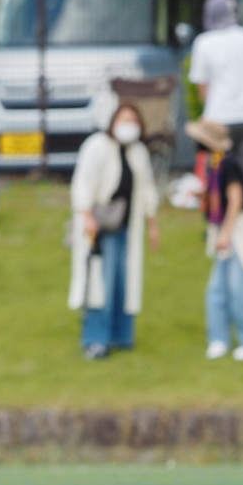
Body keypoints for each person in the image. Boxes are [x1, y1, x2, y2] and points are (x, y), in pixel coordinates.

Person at [68, 103, 160, 360]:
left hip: (127, 227)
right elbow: (82, 184)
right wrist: (86, 216)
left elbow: (147, 189)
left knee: (123, 281)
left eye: (133, 119)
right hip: (101, 226)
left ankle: (121, 335)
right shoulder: (97, 146)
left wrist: (152, 225)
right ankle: (96, 339)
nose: (128, 124)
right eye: (123, 119)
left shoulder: (138, 151)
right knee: (100, 282)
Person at [189, 117, 243, 359]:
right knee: (217, 290)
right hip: (224, 231)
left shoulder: (230, 164)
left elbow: (235, 200)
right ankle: (219, 339)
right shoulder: (214, 164)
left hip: (238, 232)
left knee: (241, 289)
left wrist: (225, 233)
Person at [188, 0, 243, 198]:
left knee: (217, 176)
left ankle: (220, 221)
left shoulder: (204, 42)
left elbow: (202, 86)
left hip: (219, 118)